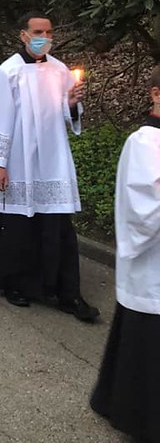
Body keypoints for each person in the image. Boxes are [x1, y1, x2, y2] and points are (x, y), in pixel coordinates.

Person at [0, 12, 99, 321]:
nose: (44, 36)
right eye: (38, 31)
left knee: (58, 224)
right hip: (19, 157)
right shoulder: (9, 71)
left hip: (53, 156)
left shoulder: (59, 70)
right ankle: (15, 283)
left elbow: (67, 115)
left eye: (49, 31)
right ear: (24, 35)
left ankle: (65, 290)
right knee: (19, 223)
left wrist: (71, 104)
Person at [90, 65, 160, 442]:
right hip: (154, 263)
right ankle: (139, 415)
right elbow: (140, 208)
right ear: (156, 94)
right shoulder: (145, 142)